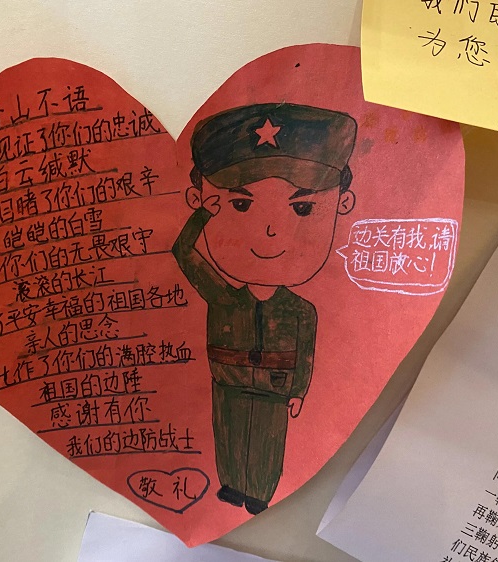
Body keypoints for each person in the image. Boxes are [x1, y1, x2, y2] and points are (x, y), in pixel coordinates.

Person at [172, 103, 357, 515]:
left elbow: (305, 354)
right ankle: (231, 486)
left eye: (301, 208)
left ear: (342, 203)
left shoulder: (300, 310)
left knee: (267, 444)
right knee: (229, 436)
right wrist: (201, 215)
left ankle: (258, 492)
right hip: (229, 383)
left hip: (275, 390)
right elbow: (184, 253)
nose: (271, 231)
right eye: (241, 205)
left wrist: (298, 391)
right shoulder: (222, 295)